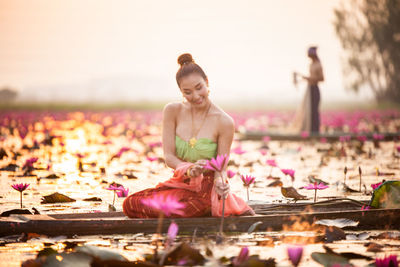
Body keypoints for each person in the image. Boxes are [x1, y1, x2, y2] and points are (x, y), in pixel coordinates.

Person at [123, 53, 254, 218]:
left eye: (199, 88)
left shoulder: (224, 121)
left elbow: (221, 168)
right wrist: (189, 169)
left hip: (207, 192)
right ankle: (180, 210)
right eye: (188, 92)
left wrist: (220, 183)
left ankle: (203, 208)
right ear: (181, 92)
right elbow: (169, 157)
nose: (196, 96)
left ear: (207, 82)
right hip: (182, 184)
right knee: (130, 203)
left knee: (192, 206)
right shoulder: (172, 111)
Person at [292, 46, 324, 134]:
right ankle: (310, 130)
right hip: (309, 89)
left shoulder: (318, 65)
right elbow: (310, 78)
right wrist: (302, 79)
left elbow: (321, 78)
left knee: (314, 110)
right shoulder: (311, 65)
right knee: (308, 110)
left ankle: (315, 130)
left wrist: (308, 78)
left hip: (315, 89)